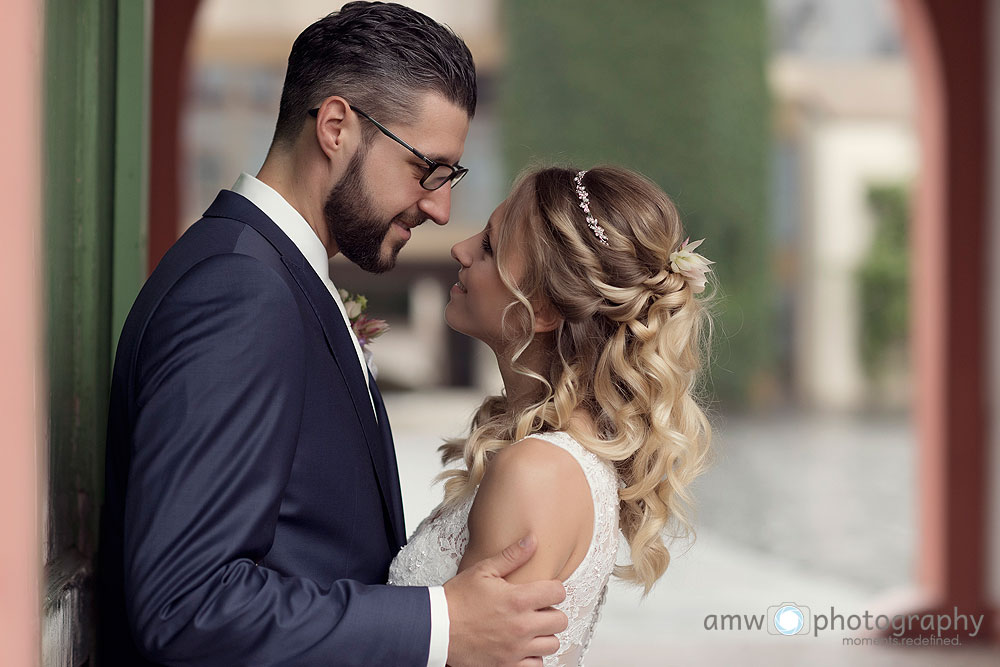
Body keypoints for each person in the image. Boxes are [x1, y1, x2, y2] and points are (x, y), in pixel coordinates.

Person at [97, 3, 567, 665]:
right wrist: (441, 623)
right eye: (426, 170)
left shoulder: (274, 275)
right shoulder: (241, 289)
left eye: (450, 177)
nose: (440, 208)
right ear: (337, 127)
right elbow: (188, 602)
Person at [387, 166, 715, 665]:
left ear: (540, 308)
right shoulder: (556, 460)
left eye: (491, 248)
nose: (461, 249)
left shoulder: (537, 472)